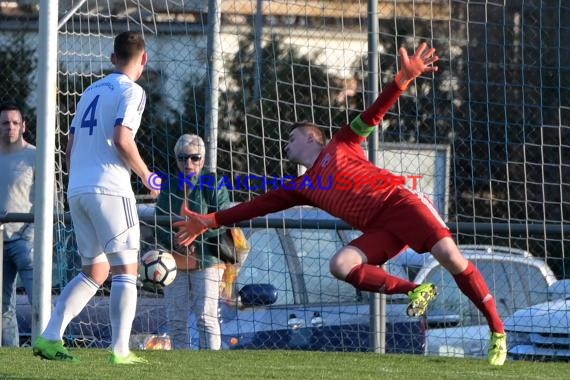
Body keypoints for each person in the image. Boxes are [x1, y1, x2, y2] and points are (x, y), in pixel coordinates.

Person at [174, 43, 507, 366]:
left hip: (401, 203)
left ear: (311, 137)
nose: (286, 146)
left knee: (451, 257)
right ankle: (417, 290)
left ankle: (497, 331)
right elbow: (257, 206)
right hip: (380, 228)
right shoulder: (304, 186)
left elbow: (375, 113)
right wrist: (210, 220)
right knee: (341, 265)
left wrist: (402, 80)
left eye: (291, 139)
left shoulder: (343, 142)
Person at [32, 31, 159, 364]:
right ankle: (120, 350)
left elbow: (70, 146)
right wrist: (147, 175)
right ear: (143, 59)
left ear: (112, 58)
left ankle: (49, 337)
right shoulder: (133, 90)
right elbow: (122, 137)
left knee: (95, 271)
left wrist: (80, 183)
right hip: (110, 188)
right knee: (125, 270)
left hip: (78, 189)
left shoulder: (89, 91)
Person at [155, 134, 230, 350]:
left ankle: (210, 365)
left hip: (207, 260)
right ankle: (181, 366)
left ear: (203, 160)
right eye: (182, 158)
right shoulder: (169, 187)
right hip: (174, 264)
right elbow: (158, 224)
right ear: (176, 160)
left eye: (194, 158)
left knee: (206, 318)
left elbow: (224, 218)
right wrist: (174, 242)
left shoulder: (213, 183)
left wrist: (198, 237)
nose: (188, 163)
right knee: (176, 321)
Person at [0, 104, 35, 347]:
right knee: (4, 309)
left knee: (40, 303)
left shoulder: (35, 156)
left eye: (14, 122)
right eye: (5, 123)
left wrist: (31, 234)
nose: (10, 127)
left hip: (26, 242)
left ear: (23, 126)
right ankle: (12, 356)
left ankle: (49, 348)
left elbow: (50, 202)